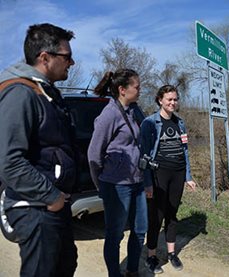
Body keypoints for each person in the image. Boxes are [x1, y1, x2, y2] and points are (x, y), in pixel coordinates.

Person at [0, 23, 78, 276]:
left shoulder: (47, 93)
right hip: (36, 209)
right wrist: (51, 196)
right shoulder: (20, 93)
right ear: (45, 57)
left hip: (53, 206)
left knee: (65, 266)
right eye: (67, 57)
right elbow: (9, 161)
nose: (72, 62)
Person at [87, 69, 148, 277]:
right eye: (137, 87)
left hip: (137, 182)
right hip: (116, 185)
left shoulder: (133, 110)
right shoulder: (109, 114)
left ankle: (132, 270)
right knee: (115, 234)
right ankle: (114, 274)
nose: (140, 90)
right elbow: (94, 154)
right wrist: (101, 185)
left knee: (140, 231)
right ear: (123, 90)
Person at [140, 85, 196, 274]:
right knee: (156, 216)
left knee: (172, 213)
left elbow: (185, 151)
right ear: (160, 101)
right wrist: (147, 182)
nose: (173, 103)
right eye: (169, 99)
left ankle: (171, 253)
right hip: (159, 174)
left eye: (175, 99)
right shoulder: (150, 123)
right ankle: (151, 256)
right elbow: (144, 156)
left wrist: (188, 176)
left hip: (178, 173)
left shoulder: (180, 123)